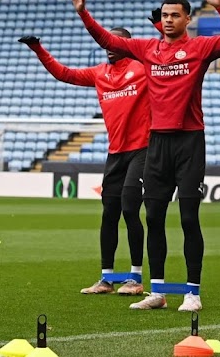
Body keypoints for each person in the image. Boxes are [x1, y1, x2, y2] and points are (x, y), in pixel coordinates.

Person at [65, 0, 220, 312]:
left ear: (187, 19)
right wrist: (83, 13)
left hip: (190, 142)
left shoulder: (200, 48)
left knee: (189, 218)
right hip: (157, 143)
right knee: (155, 218)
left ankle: (193, 292)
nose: (168, 20)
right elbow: (107, 39)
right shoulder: (147, 49)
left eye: (175, 15)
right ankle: (158, 291)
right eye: (164, 15)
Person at [18, 30, 150, 297]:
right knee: (108, 213)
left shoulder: (142, 68)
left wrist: (160, 27)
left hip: (142, 150)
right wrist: (38, 49)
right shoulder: (100, 73)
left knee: (129, 208)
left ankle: (135, 278)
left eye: (114, 42)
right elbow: (64, 74)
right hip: (115, 153)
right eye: (106, 43)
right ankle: (106, 279)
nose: (108, 46)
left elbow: (164, 57)